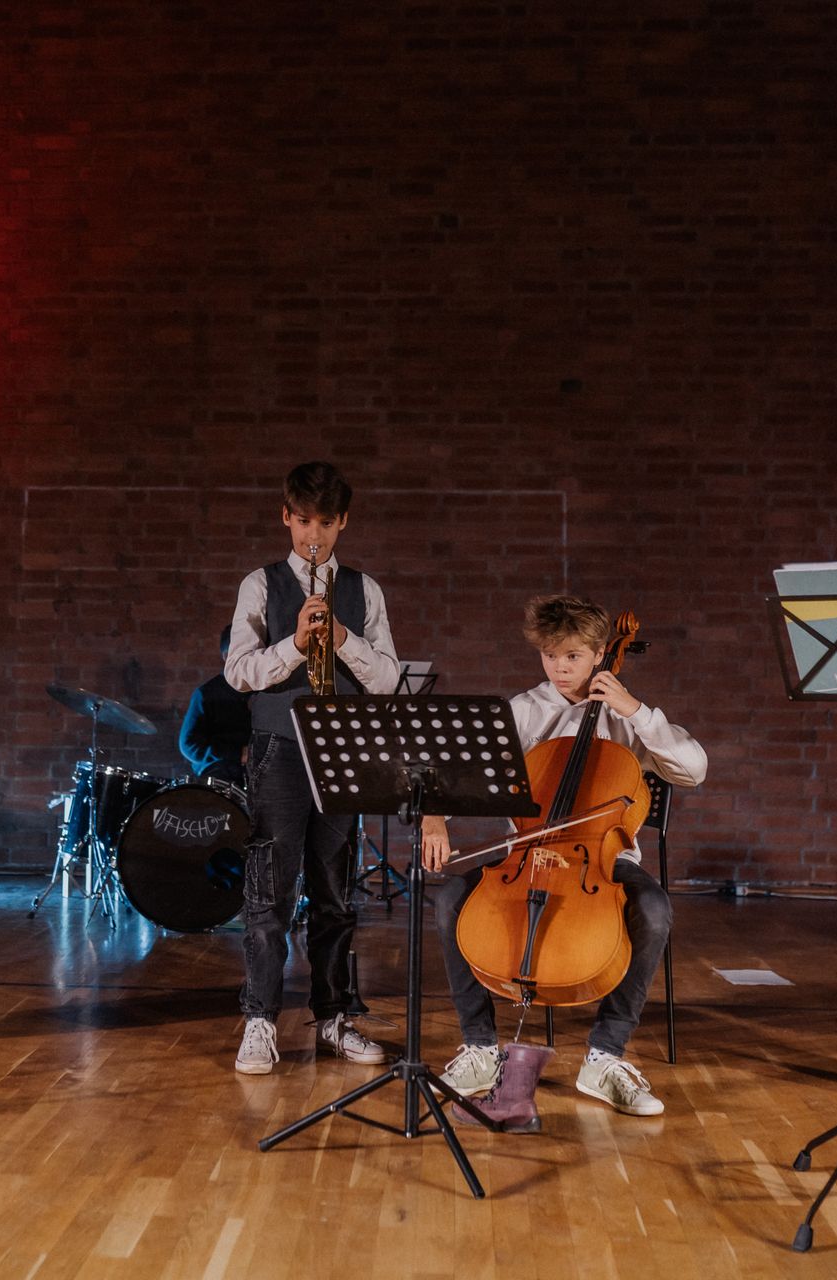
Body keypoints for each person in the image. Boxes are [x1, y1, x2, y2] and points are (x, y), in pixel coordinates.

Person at [421, 595, 707, 1115]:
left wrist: (636, 712)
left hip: (603, 863)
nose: (559, 667)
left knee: (653, 910)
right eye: (550, 655)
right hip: (525, 855)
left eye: (573, 656)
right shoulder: (523, 710)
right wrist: (434, 816)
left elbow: (693, 770)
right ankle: (480, 1047)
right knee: (450, 900)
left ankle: (606, 1056)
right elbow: (458, 773)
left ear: (600, 654)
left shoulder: (627, 715)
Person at [225, 461, 398, 1074]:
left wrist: (343, 639)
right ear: (286, 517)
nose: (313, 535)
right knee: (268, 891)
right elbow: (238, 672)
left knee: (335, 892)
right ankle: (260, 1020)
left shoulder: (364, 589)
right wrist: (295, 645)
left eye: (325, 523)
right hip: (279, 747)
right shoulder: (261, 584)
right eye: (303, 522)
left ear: (342, 522)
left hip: (343, 750)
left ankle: (333, 1017)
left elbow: (388, 678)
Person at [178, 625, 250, 787]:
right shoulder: (206, 694)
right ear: (226, 656)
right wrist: (237, 753)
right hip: (218, 773)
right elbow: (189, 745)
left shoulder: (260, 692)